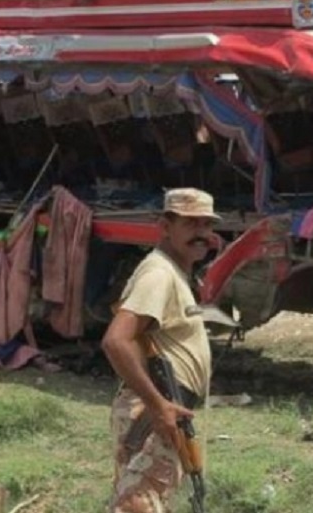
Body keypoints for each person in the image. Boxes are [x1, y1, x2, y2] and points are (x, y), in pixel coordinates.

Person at [102, 187, 219, 513]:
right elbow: (116, 340)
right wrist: (158, 405)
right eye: (191, 224)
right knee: (137, 505)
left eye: (207, 225)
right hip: (157, 409)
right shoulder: (159, 274)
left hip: (168, 408)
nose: (202, 234)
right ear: (165, 227)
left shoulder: (175, 273)